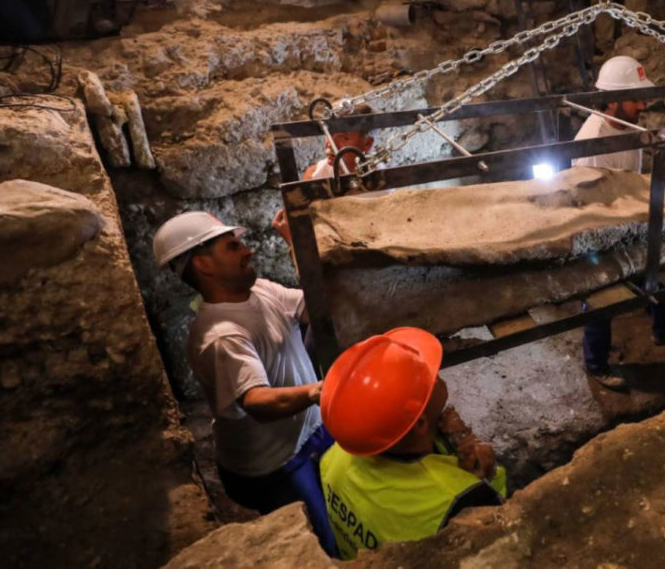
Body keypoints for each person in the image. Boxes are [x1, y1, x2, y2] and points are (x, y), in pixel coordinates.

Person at [152, 211, 337, 556]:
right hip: (275, 465)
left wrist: (296, 245)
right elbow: (257, 401)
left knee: (349, 500)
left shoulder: (262, 291)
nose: (248, 251)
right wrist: (316, 390)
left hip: (310, 432)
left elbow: (323, 309)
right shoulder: (222, 334)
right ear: (205, 265)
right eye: (233, 246)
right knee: (322, 545)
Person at [571, 56, 665, 390]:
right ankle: (596, 364)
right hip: (599, 226)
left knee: (659, 265)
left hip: (630, 216)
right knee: (601, 293)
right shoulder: (592, 142)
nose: (641, 105)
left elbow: (636, 175)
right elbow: (592, 204)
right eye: (634, 99)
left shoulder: (628, 125)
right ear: (612, 101)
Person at [319, 327, 507, 558]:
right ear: (419, 424)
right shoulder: (461, 500)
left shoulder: (335, 455)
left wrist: (446, 442)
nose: (436, 372)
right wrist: (486, 478)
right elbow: (503, 535)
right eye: (429, 377)